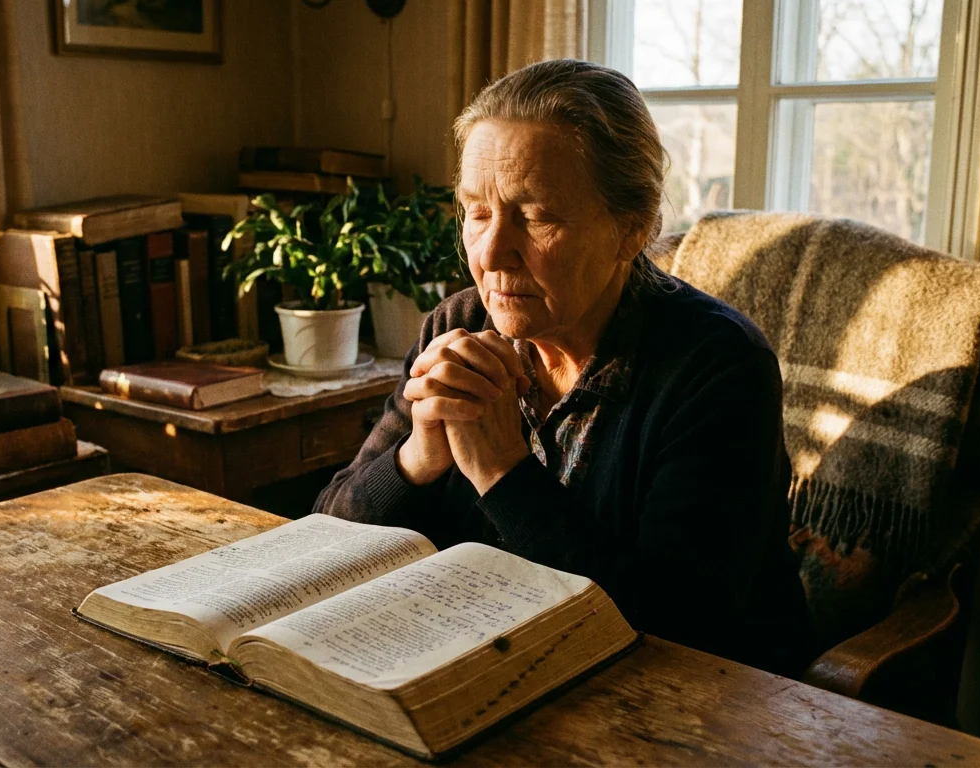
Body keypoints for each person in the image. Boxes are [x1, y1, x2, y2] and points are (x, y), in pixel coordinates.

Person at [313, 59, 813, 677]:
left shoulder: (718, 366)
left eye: (536, 217)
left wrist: (503, 470)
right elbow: (328, 534)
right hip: (490, 665)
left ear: (632, 230)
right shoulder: (456, 326)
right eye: (477, 212)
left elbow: (682, 625)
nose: (492, 254)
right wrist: (417, 458)